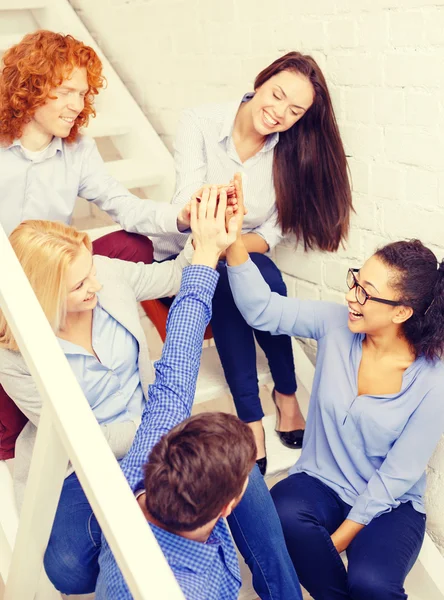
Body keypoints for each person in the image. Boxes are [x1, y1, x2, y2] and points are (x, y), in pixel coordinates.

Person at [153, 51, 353, 474]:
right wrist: (220, 226)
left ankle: (259, 413)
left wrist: (237, 240)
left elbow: (277, 230)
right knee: (239, 279)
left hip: (245, 253)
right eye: (277, 95)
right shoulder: (201, 122)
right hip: (198, 249)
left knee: (252, 274)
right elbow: (183, 203)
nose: (280, 113)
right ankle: (276, 401)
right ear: (260, 82)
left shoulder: (292, 149)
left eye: (295, 110)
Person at [0, 29, 193, 458]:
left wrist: (182, 217)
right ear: (28, 87)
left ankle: (130, 342)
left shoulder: (78, 149)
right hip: (9, 283)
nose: (77, 105)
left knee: (134, 246)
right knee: (12, 408)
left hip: (60, 271)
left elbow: (121, 203)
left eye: (82, 94)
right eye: (65, 91)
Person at [226, 234, 444, 599]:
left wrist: (337, 538)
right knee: (283, 511)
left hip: (391, 503)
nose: (350, 295)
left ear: (401, 311)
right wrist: (231, 239)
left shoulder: (434, 380)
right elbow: (261, 309)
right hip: (320, 481)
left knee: (371, 584)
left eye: (365, 292)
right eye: (355, 280)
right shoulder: (335, 324)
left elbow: (397, 475)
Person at [0, 219, 193, 592]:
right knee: (68, 568)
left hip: (149, 432)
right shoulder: (13, 356)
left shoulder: (100, 271)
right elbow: (84, 441)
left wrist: (204, 231)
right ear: (44, 293)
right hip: (77, 462)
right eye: (80, 285)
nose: (97, 285)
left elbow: (175, 275)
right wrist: (155, 427)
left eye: (90, 271)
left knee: (158, 519)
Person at [95, 184, 259, 599]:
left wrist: (207, 250)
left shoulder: (139, 470)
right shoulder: (192, 591)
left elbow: (177, 371)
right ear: (226, 509)